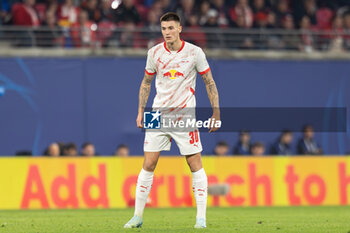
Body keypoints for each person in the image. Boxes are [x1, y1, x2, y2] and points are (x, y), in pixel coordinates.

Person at [124, 12, 220, 229]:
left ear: (179, 29)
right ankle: (137, 217)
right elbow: (146, 83)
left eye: (170, 28)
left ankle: (201, 219)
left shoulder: (195, 53)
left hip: (185, 114)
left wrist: (216, 113)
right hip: (157, 113)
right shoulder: (154, 53)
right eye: (163, 29)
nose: (166, 32)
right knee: (148, 163)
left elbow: (209, 82)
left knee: (194, 163)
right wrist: (141, 111)